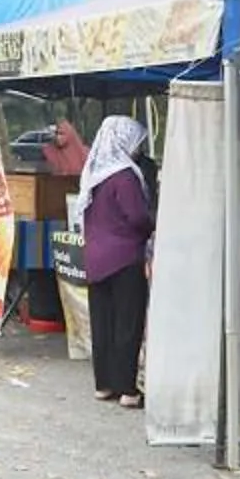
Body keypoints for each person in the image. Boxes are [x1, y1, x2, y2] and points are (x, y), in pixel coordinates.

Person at [76, 116, 155, 408]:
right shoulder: (125, 176)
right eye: (136, 141)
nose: (138, 148)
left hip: (95, 258)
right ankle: (127, 390)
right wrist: (152, 226)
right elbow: (137, 217)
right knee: (127, 323)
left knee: (103, 323)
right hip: (124, 258)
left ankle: (104, 384)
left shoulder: (93, 174)